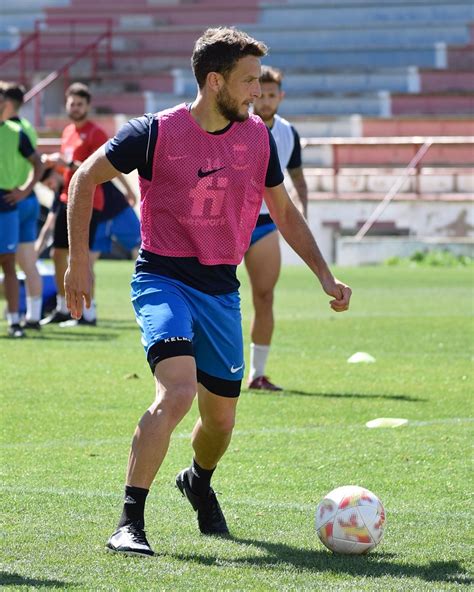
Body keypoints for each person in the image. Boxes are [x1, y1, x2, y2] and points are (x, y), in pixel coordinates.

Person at [63, 27, 352, 557]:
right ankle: (130, 522)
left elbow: (283, 211)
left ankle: (198, 480)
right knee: (176, 390)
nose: (255, 94)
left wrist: (324, 276)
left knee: (220, 420)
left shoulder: (258, 137)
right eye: (247, 82)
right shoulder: (152, 133)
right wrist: (78, 261)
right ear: (215, 81)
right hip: (163, 278)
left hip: (221, 290)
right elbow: (84, 178)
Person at [245, 66, 308, 391]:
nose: (266, 101)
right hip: (227, 223)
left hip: (265, 224)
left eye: (272, 95)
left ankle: (257, 374)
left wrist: (301, 218)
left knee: (265, 296)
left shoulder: (288, 133)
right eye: (262, 94)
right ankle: (202, 370)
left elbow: (297, 178)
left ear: (280, 97)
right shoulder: (238, 125)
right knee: (212, 296)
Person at [40, 82, 109, 327]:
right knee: (58, 253)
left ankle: (88, 313)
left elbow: (98, 172)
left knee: (84, 258)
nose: (76, 107)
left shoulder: (96, 133)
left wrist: (67, 163)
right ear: (66, 105)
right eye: (72, 103)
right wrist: (54, 171)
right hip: (66, 199)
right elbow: (67, 170)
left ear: (88, 106)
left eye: (80, 104)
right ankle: (63, 306)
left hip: (90, 202)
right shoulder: (68, 131)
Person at [0, 84, 43, 338]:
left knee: (8, 262)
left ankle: (15, 321)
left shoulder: (15, 132)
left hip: (6, 202)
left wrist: (25, 190)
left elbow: (37, 162)